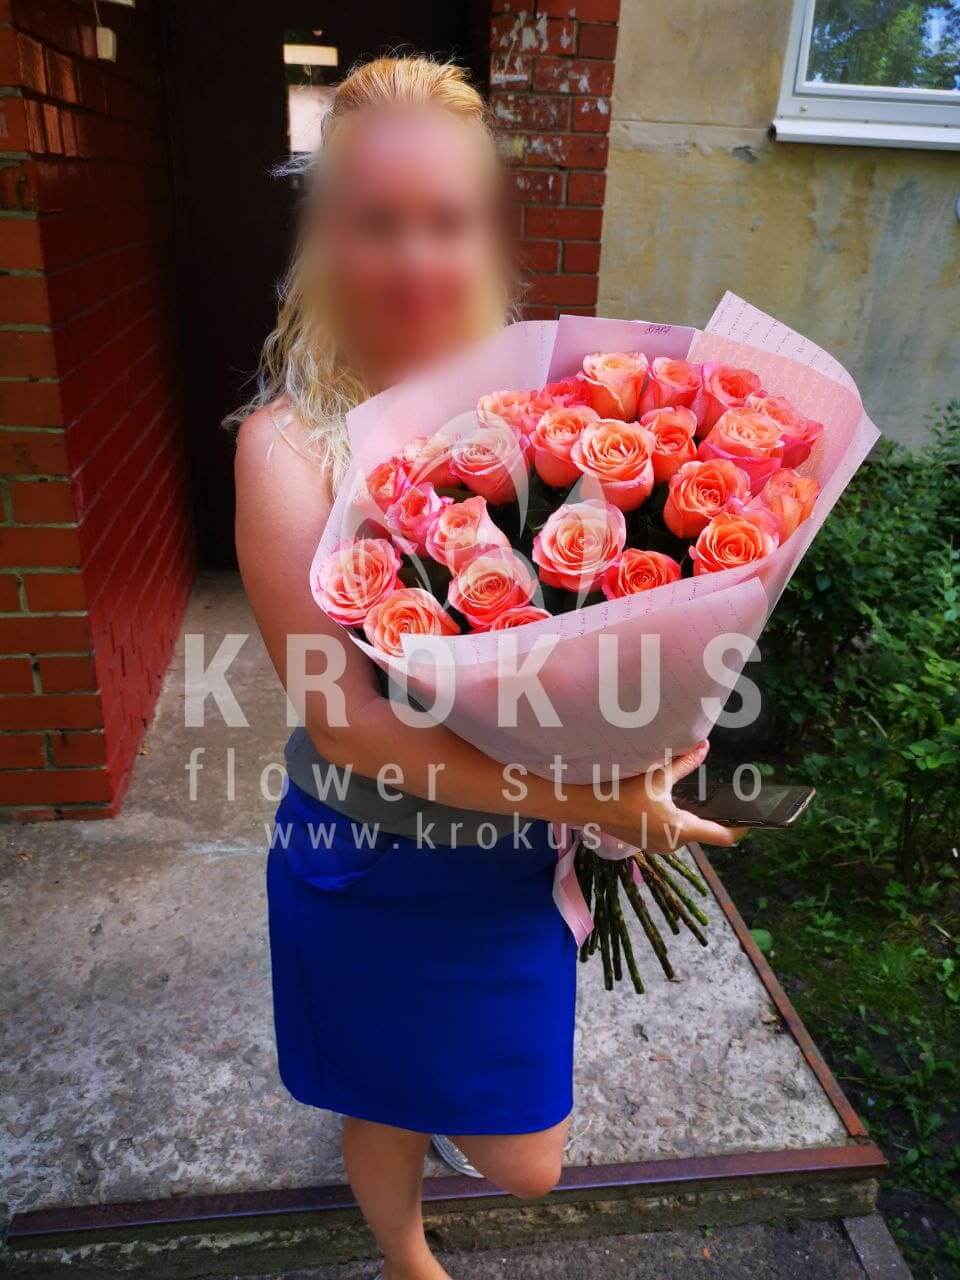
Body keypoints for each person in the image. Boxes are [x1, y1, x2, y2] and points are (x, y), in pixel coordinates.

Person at [234, 55, 743, 1280]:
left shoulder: (538, 401)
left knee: (527, 1159)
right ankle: (407, 1253)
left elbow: (634, 600)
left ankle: (427, 1095)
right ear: (329, 237)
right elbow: (346, 725)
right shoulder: (286, 446)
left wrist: (651, 732)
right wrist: (594, 797)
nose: (416, 256)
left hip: (511, 857)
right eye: (378, 222)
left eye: (446, 220)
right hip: (368, 858)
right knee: (385, 1095)